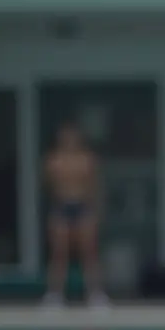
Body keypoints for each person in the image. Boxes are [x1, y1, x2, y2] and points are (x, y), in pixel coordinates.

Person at [42, 121, 107, 306]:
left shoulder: (87, 160)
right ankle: (54, 295)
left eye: (72, 136)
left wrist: (97, 212)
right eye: (65, 137)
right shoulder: (53, 161)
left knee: (89, 252)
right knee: (59, 253)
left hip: (83, 206)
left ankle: (96, 295)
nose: (69, 140)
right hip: (61, 207)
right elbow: (48, 187)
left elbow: (96, 187)